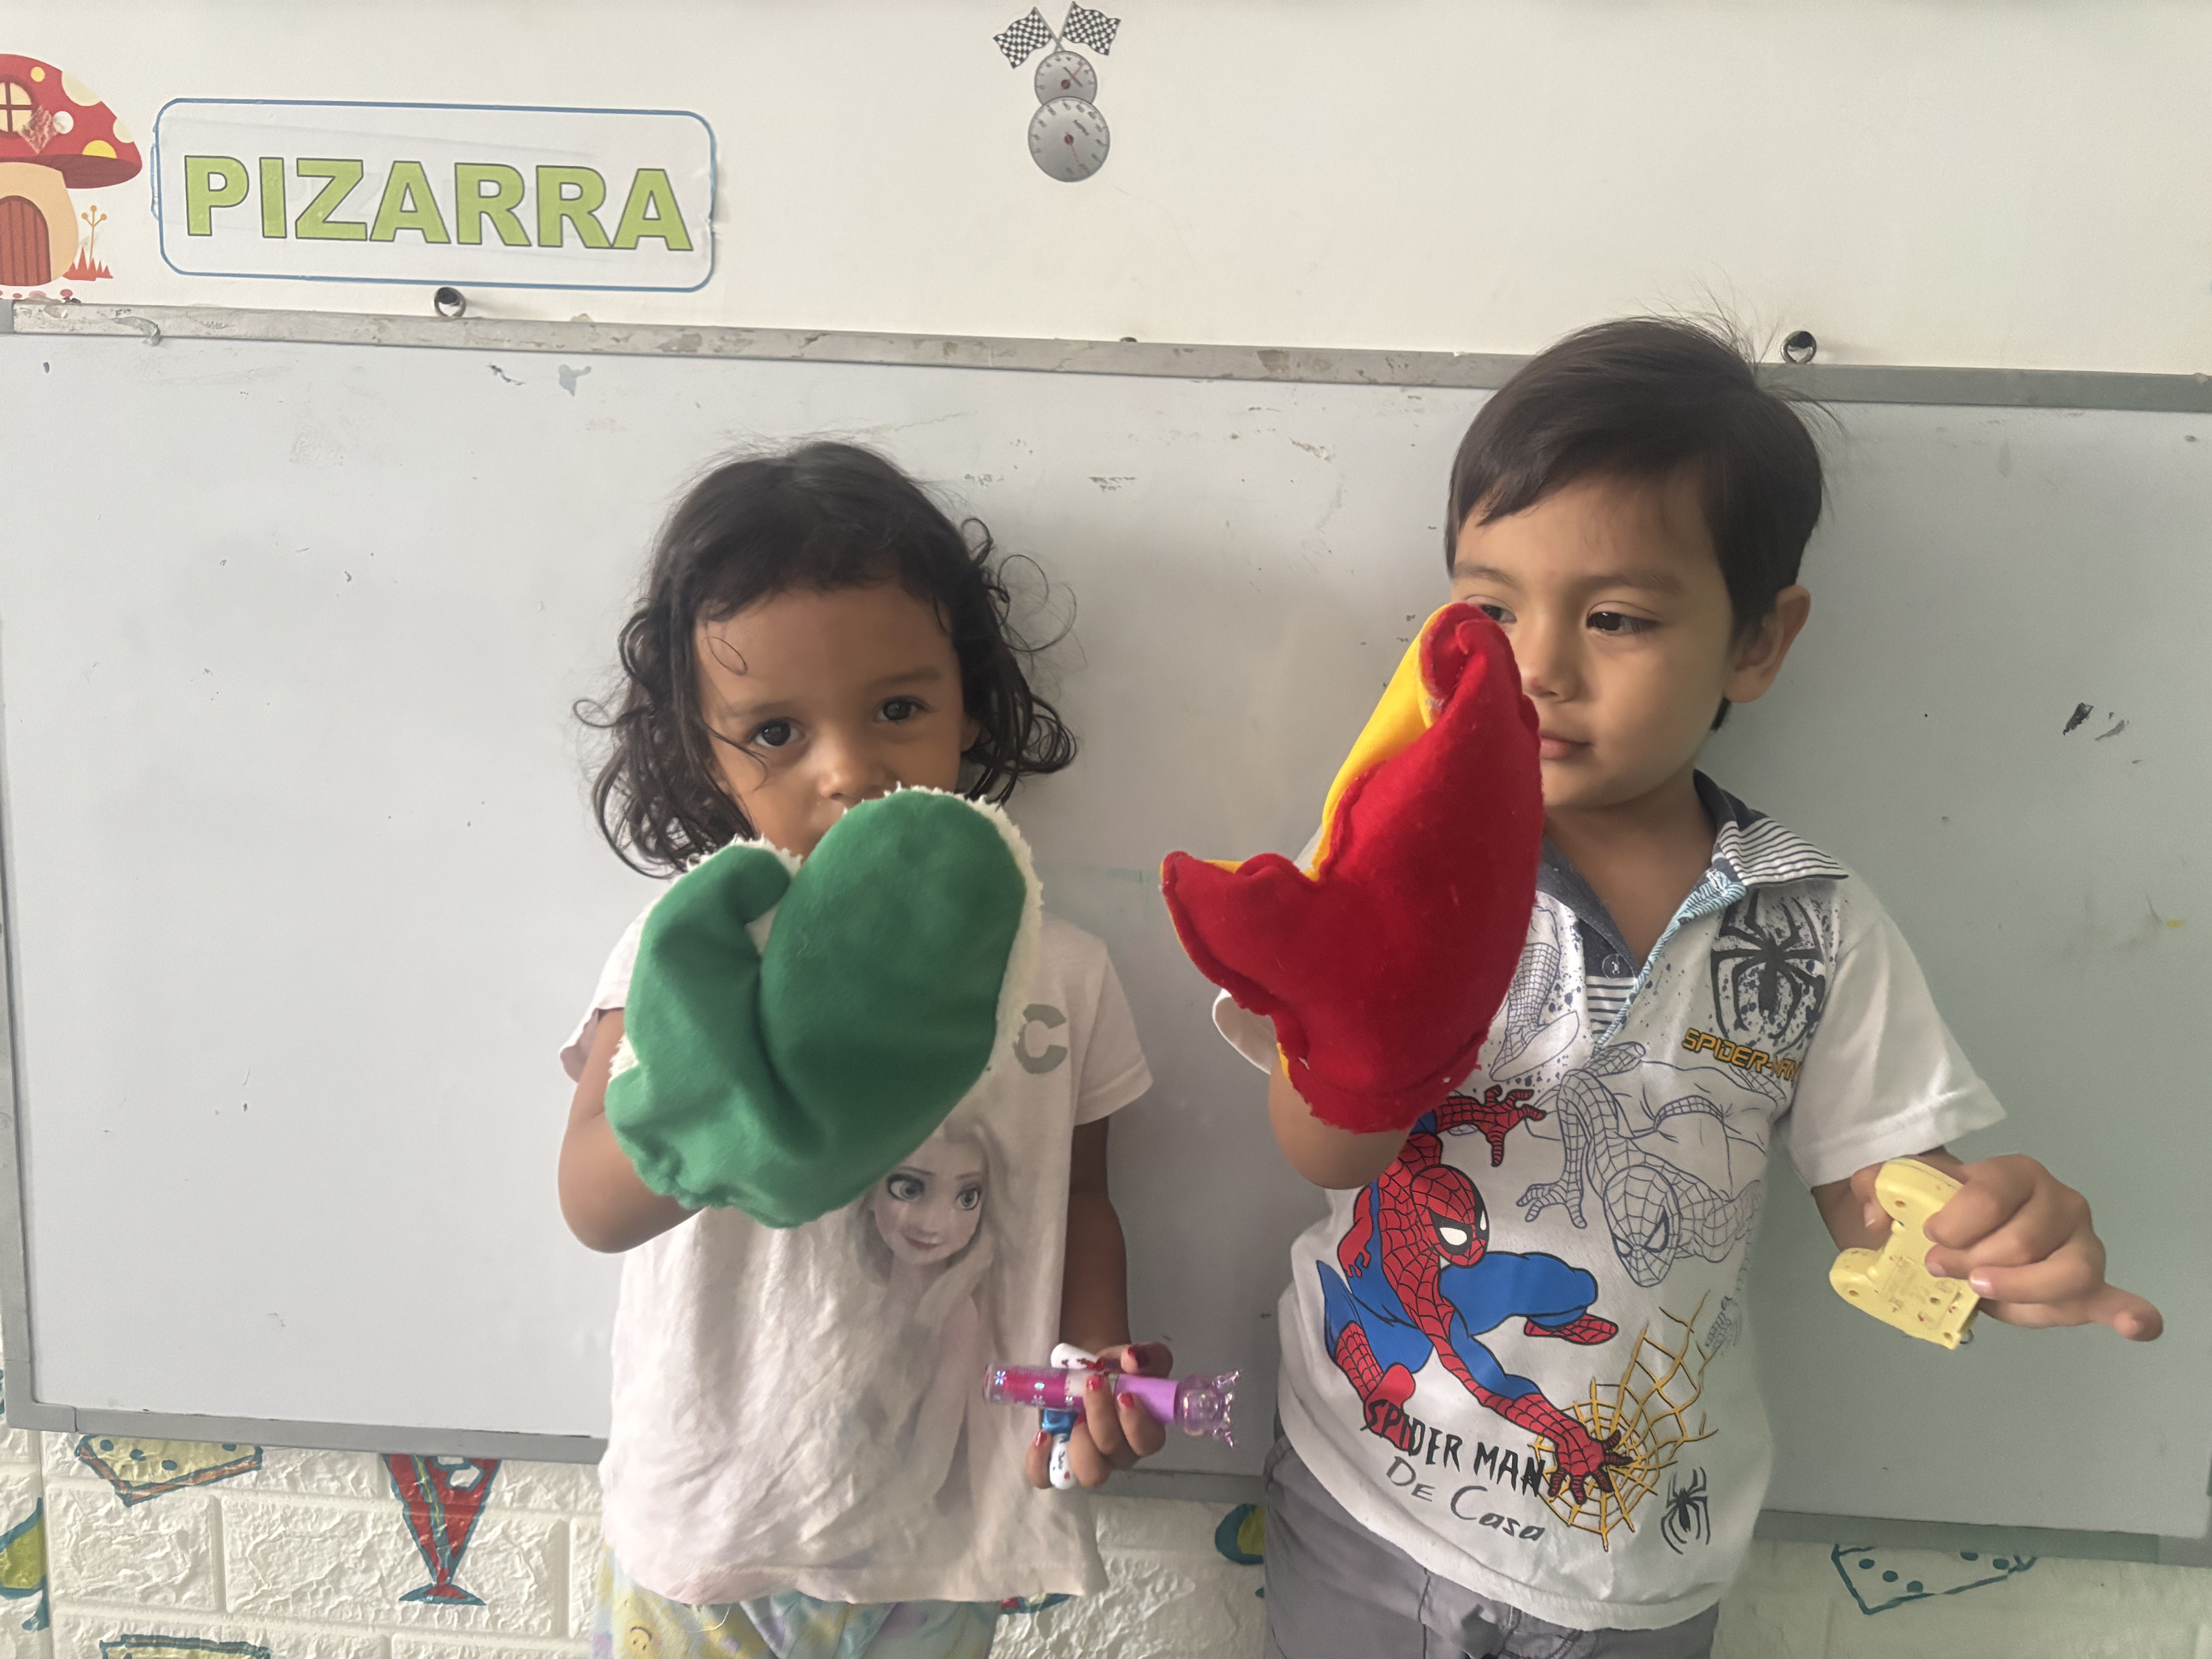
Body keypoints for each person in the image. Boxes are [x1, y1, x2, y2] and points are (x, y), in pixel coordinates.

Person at [1218, 320, 2164, 1659]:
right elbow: (1321, 1147)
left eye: (1616, 617)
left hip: (1645, 1554)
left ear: (1758, 641)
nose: (1539, 666)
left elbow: (1875, 1204)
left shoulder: (1811, 922)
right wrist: (1383, 977)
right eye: (1491, 609)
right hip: (1373, 1499)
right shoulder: (1393, 862)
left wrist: (1986, 1238)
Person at [557, 442, 1166, 1659]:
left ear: (968, 699)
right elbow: (592, 1202)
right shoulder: (696, 948)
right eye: (777, 730)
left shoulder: (1061, 974)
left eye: (898, 708)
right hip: (711, 1528)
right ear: (705, 750)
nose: (849, 769)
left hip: (939, 1542)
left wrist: (1103, 1368)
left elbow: (1081, 1201)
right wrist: (730, 1122)